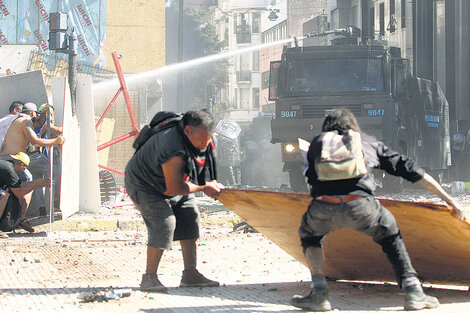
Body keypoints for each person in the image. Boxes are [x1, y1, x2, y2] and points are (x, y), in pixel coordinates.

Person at [291, 108, 466, 312]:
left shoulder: (317, 144)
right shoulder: (366, 142)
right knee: (390, 234)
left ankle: (319, 293)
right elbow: (413, 172)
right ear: (352, 126)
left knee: (310, 235)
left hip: (324, 206)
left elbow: (311, 182)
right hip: (361, 205)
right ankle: (413, 291)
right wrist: (452, 202)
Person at [125, 109, 221, 293]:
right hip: (144, 185)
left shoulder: (205, 140)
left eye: (209, 138)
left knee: (190, 218)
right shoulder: (172, 148)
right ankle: (149, 277)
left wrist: (211, 182)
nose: (205, 143)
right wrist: (203, 187)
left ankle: (190, 275)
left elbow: (205, 169)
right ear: (187, 131)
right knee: (165, 223)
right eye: (201, 138)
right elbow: (174, 188)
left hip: (172, 181)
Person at [0, 102, 65, 231]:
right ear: (33, 113)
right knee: (27, 181)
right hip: (10, 160)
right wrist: (56, 141)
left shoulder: (18, 120)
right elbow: (35, 140)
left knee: (16, 187)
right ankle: (22, 218)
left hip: (9, 158)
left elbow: (40, 126)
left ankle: (20, 218)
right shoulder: (25, 121)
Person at [0, 152, 50, 238]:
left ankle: (20, 218)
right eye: (24, 167)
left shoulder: (9, 166)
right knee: (4, 196)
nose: (24, 170)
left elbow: (19, 185)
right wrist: (36, 184)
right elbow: (19, 193)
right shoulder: (10, 170)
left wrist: (36, 182)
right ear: (22, 165)